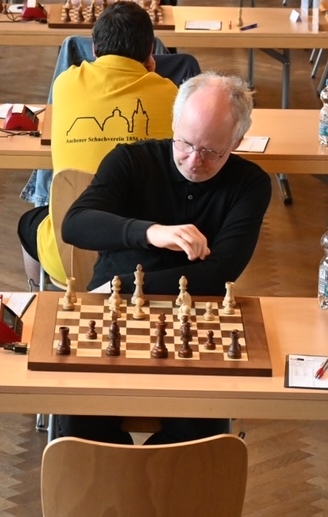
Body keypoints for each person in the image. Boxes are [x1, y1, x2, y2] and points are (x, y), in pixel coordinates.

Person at [55, 72, 271, 444]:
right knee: (82, 422)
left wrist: (125, 288)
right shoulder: (131, 160)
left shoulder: (250, 184)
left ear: (236, 141)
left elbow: (221, 273)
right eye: (185, 143)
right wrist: (150, 231)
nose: (193, 160)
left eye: (210, 151)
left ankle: (161, 494)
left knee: (198, 434)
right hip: (111, 310)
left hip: (195, 319)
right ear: (173, 123)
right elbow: (75, 225)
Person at [16, 2, 179, 287]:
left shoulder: (65, 84)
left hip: (69, 252)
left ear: (94, 49)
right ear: (151, 51)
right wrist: (152, 72)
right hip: (144, 253)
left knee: (29, 222)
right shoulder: (171, 93)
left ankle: (38, 298)